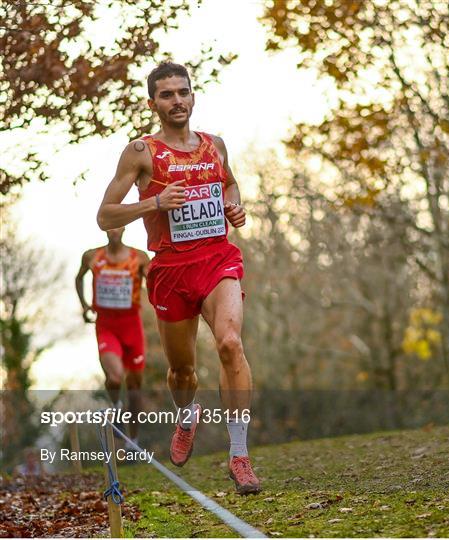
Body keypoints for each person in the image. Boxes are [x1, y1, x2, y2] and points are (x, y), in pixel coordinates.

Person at [96, 62, 261, 494]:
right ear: (153, 104)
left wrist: (234, 207)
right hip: (170, 268)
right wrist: (153, 204)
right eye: (166, 95)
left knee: (230, 343)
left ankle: (239, 454)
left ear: (193, 96)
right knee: (182, 371)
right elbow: (104, 215)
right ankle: (186, 415)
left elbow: (230, 185)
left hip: (217, 258)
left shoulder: (215, 145)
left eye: (183, 92)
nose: (177, 101)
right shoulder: (140, 152)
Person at [75, 227, 150, 444]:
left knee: (135, 386)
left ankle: (132, 441)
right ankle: (116, 406)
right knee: (115, 377)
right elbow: (78, 278)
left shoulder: (139, 257)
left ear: (124, 228)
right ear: (105, 228)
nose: (114, 230)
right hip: (106, 325)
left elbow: (153, 280)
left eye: (118, 225)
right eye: (110, 225)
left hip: (132, 326)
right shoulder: (92, 256)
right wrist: (84, 306)